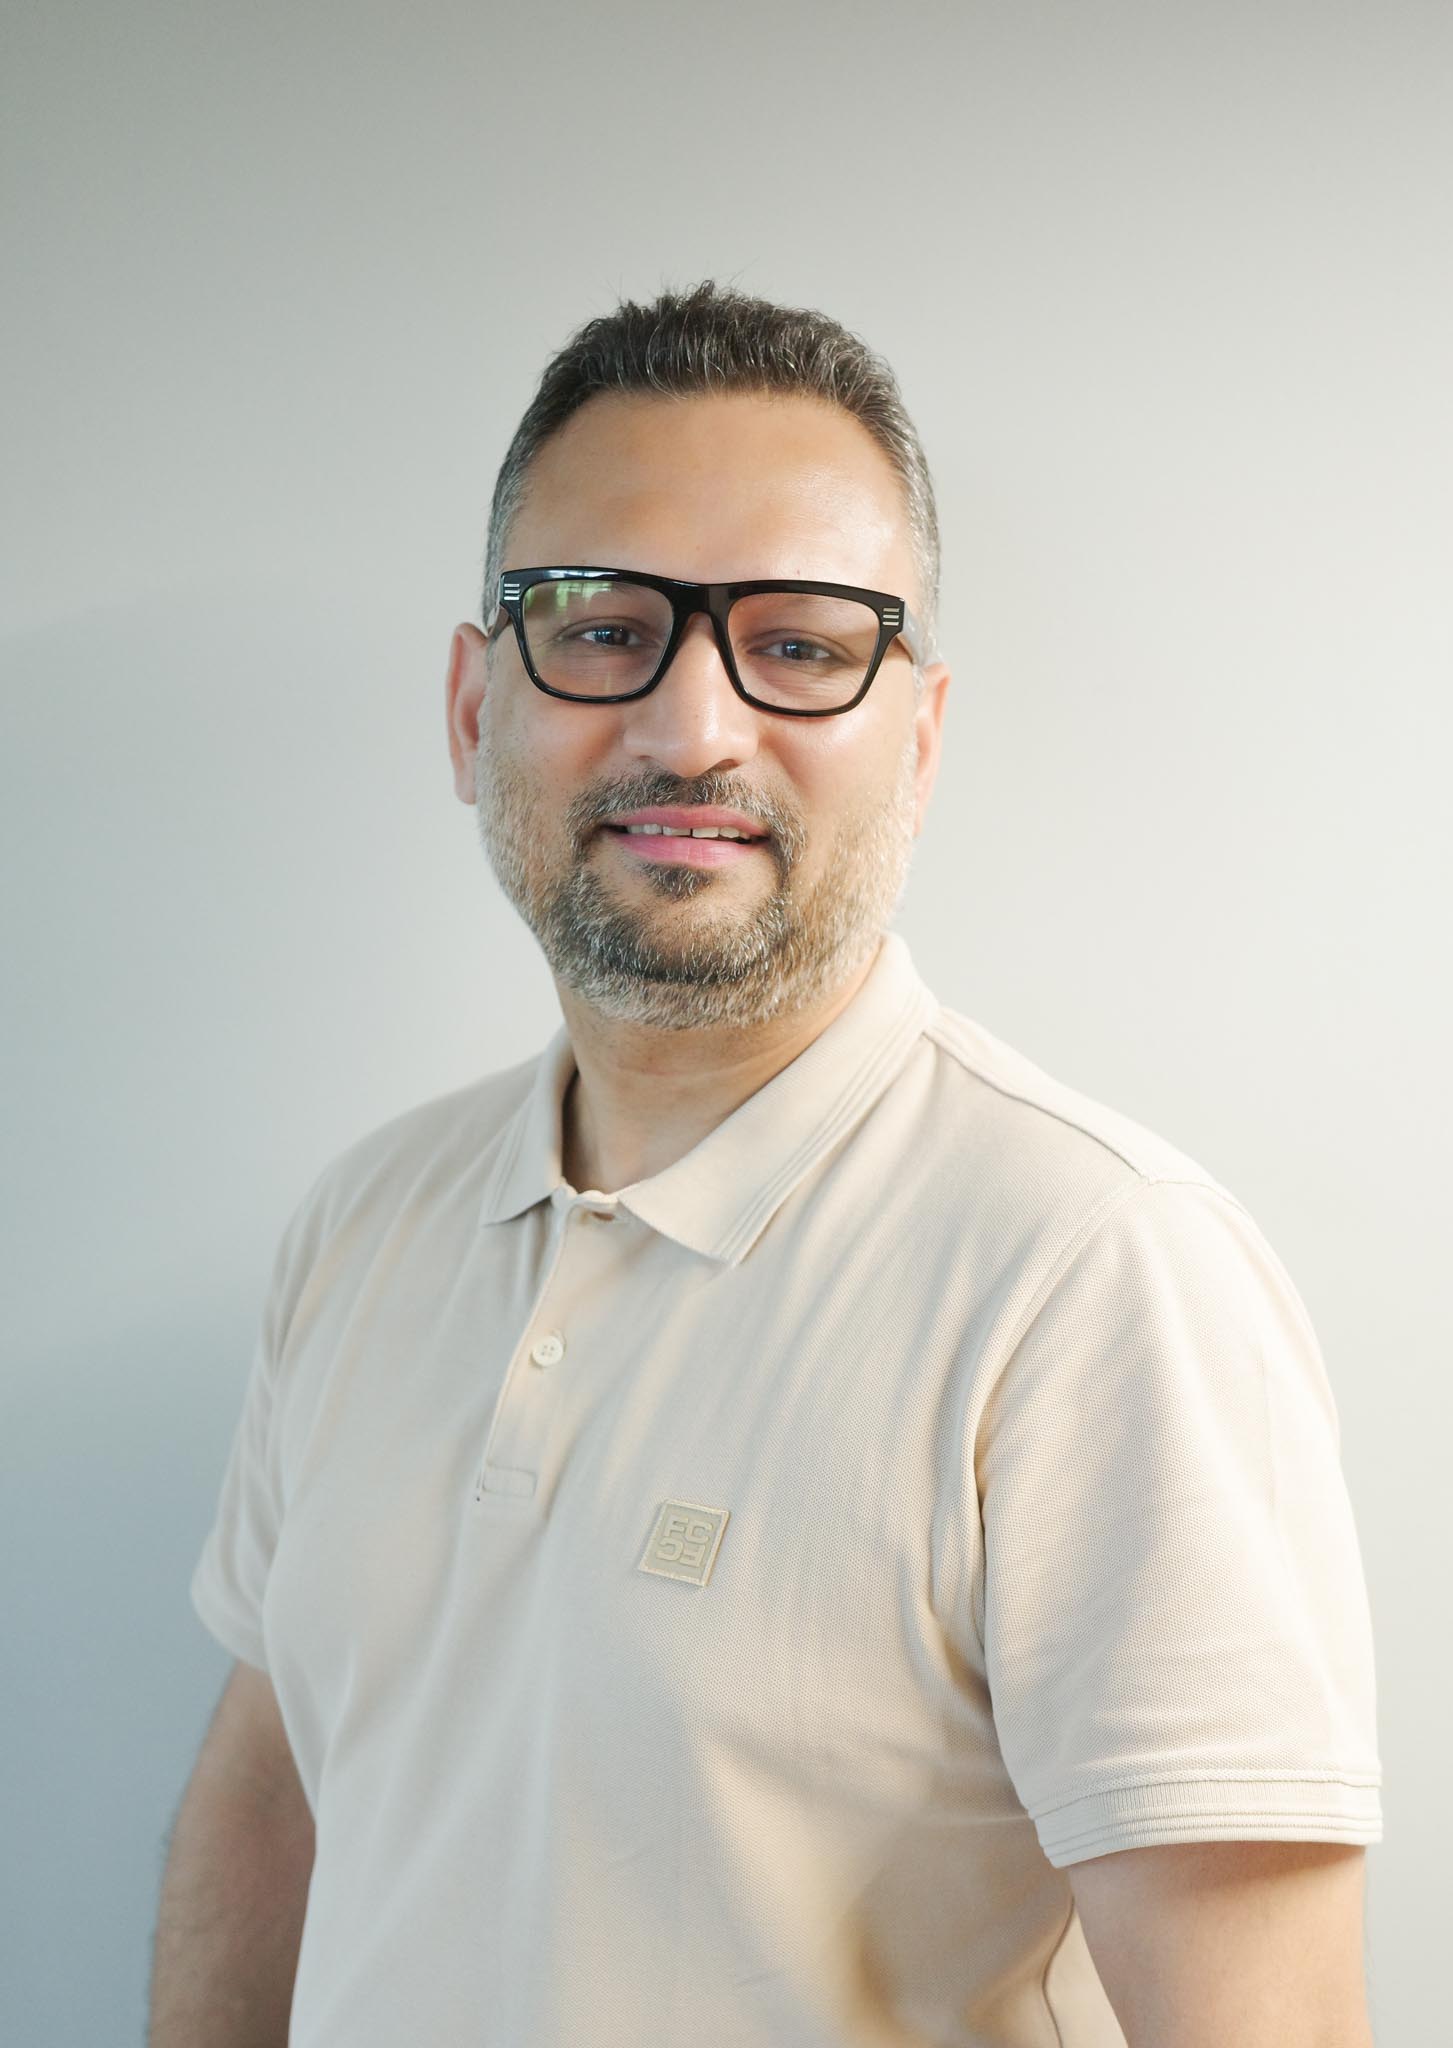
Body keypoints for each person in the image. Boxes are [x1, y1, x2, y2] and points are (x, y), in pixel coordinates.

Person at [153, 282, 1382, 2048]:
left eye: (800, 646)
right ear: (472, 708)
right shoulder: (365, 1223)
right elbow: (273, 1802)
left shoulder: (1096, 1278)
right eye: (599, 627)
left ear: (919, 738)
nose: (691, 729)